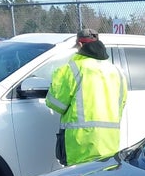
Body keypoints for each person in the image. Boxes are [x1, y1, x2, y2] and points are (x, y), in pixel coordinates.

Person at [46, 28, 127, 166]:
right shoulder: (116, 71)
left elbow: (56, 103)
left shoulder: (72, 69)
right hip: (109, 143)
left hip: (80, 144)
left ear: (80, 45)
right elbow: (121, 103)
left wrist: (56, 80)